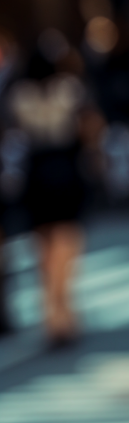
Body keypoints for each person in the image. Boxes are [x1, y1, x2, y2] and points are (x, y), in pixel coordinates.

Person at [4, 31, 97, 348]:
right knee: (67, 242)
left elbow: (11, 134)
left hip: (35, 172)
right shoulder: (70, 89)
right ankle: (62, 310)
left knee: (42, 245)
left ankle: (51, 311)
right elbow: (90, 128)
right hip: (66, 169)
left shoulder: (18, 94)